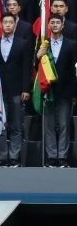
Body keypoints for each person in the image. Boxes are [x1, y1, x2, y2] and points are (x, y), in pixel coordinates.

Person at [37, 14, 77, 167]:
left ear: (63, 25)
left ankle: (63, 157)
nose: (54, 25)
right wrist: (38, 56)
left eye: (57, 23)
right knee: (49, 125)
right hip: (48, 90)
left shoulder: (72, 44)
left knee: (64, 124)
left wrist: (74, 93)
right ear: (48, 26)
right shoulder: (43, 44)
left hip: (65, 90)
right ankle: (51, 156)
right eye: (52, 22)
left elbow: (75, 69)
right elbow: (37, 68)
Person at [0, 13, 31, 167]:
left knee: (16, 126)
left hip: (17, 89)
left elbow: (26, 68)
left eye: (11, 22)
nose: (8, 25)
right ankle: (3, 157)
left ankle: (14, 157)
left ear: (15, 26)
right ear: (0, 25)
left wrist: (26, 89)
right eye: (5, 22)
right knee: (1, 125)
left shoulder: (22, 43)